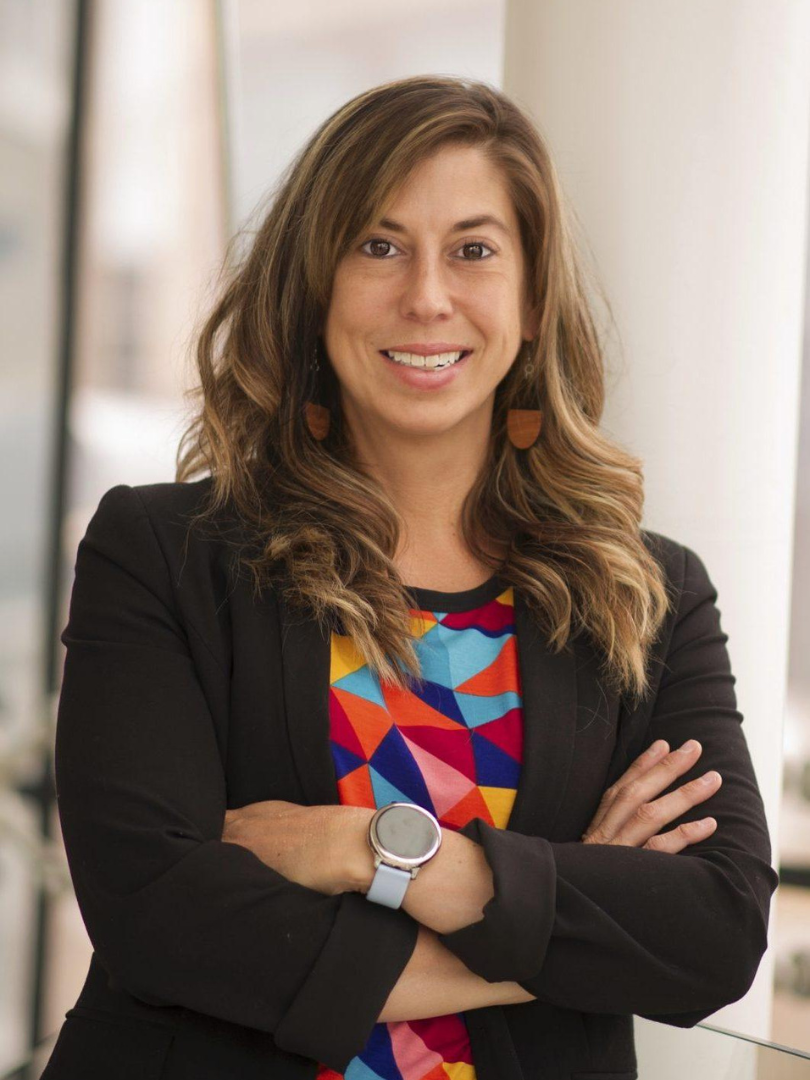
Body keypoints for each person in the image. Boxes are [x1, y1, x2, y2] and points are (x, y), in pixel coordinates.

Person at [41, 75, 777, 1080]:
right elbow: (161, 919)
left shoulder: (648, 595)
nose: (427, 295)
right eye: (378, 246)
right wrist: (569, 930)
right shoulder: (163, 553)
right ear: (316, 287)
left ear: (529, 302)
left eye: (473, 250)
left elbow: (716, 934)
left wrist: (379, 850)